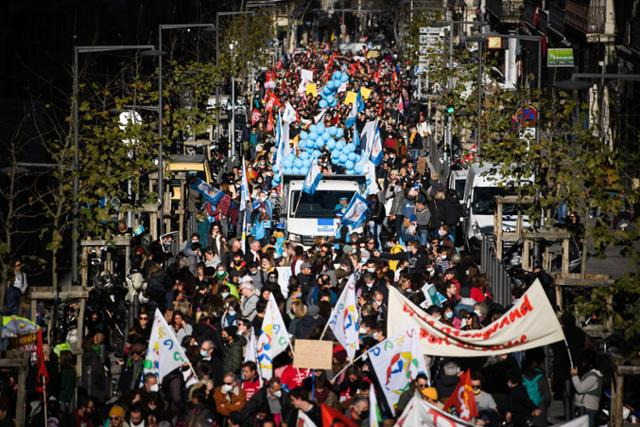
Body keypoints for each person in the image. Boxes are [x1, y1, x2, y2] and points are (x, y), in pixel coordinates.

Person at [571, 351, 603, 427]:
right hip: (584, 408)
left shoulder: (593, 377)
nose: (582, 364)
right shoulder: (590, 375)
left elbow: (580, 388)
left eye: (584, 363)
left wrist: (574, 375)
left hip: (587, 409)